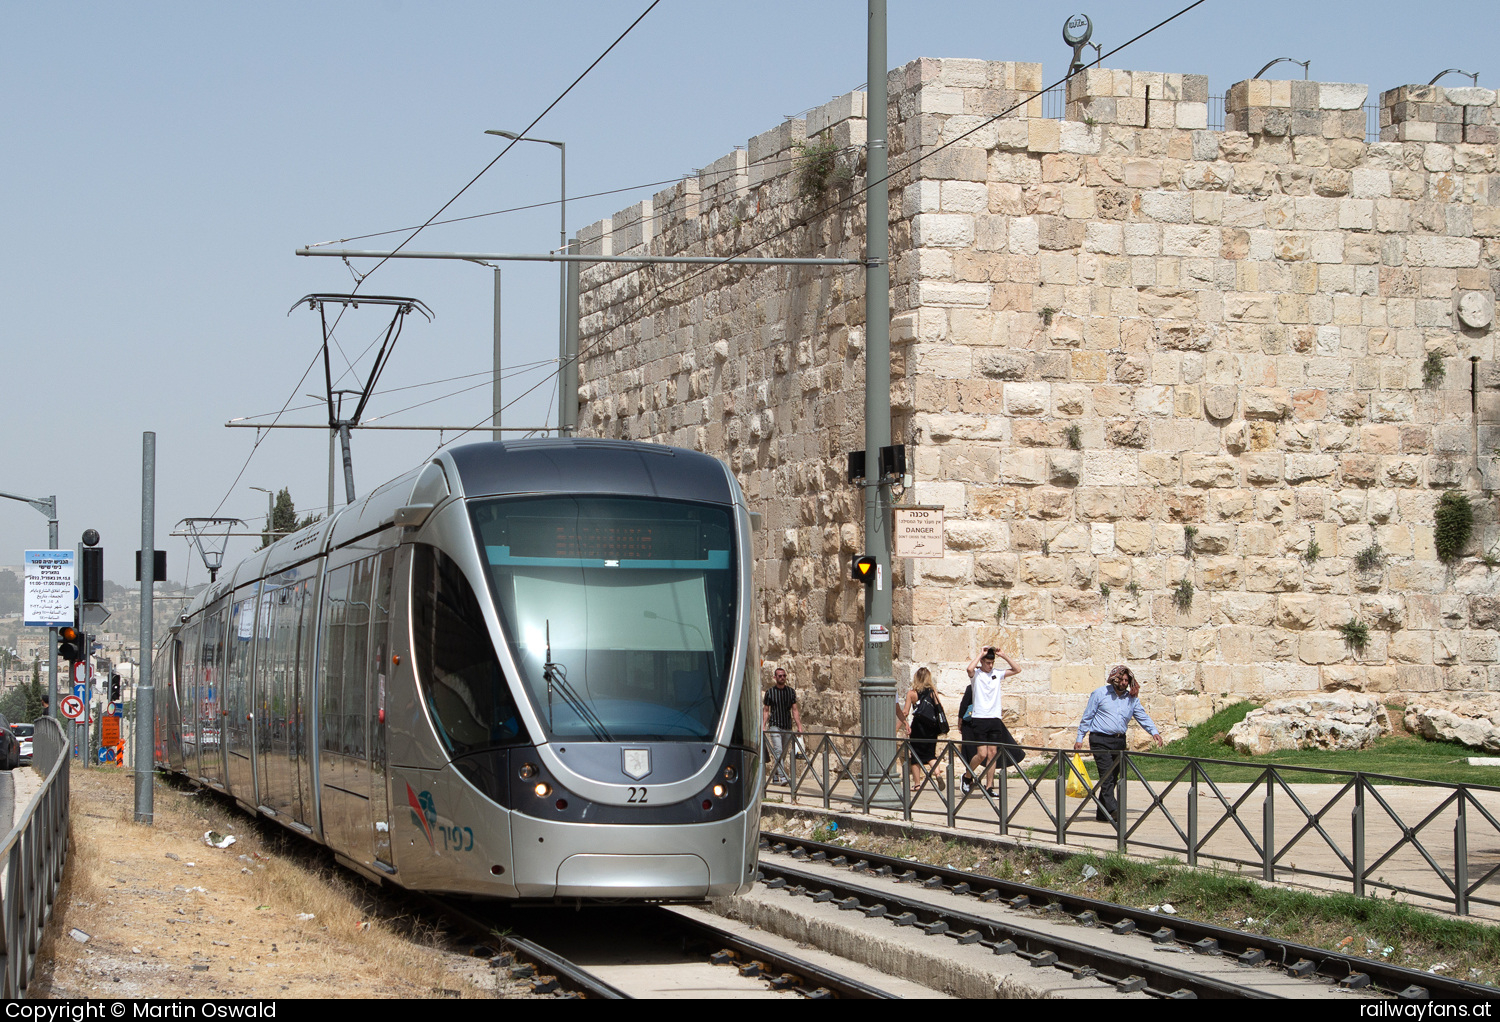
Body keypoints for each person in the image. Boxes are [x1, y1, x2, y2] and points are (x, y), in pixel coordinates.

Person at [1073, 664, 1165, 825]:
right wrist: (1080, 737)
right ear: (1114, 678)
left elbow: (1142, 716)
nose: (1123, 683)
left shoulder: (1131, 699)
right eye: (1121, 679)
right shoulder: (1100, 694)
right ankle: (1114, 809)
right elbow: (1087, 716)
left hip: (1118, 741)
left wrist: (1154, 732)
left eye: (1126, 680)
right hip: (1100, 739)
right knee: (1106, 775)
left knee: (1113, 777)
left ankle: (1103, 813)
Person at [964, 644, 1020, 797]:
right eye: (987, 663)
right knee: (981, 754)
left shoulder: (997, 673)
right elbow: (969, 669)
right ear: (982, 662)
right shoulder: (977, 674)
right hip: (980, 717)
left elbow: (1017, 670)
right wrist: (979, 654)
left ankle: (989, 787)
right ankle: (967, 776)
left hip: (994, 718)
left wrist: (1004, 655)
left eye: (992, 663)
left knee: (993, 753)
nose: (990, 665)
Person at [896, 667, 946, 794]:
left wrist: (898, 726)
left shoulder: (911, 693)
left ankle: (917, 785)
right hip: (932, 727)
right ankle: (937, 774)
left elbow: (906, 712)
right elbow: (939, 707)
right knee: (930, 754)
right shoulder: (932, 692)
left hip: (918, 726)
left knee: (915, 755)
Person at [762, 666, 802, 784]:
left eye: (784, 676)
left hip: (787, 725)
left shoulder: (791, 692)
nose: (782, 678)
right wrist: (763, 726)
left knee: (782, 753)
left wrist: (799, 726)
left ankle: (774, 775)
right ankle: (783, 777)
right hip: (775, 725)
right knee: (778, 751)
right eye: (780, 676)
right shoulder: (770, 693)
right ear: (775, 677)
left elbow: (794, 710)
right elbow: (766, 710)